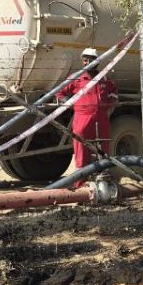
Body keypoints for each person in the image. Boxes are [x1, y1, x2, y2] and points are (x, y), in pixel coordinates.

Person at [58, 48, 118, 186]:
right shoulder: (77, 78)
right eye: (85, 59)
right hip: (82, 118)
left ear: (97, 62)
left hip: (101, 118)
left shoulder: (104, 78)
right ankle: (80, 184)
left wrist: (110, 103)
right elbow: (60, 93)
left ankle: (104, 182)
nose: (87, 62)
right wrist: (72, 104)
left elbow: (113, 90)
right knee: (81, 150)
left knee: (103, 150)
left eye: (90, 59)